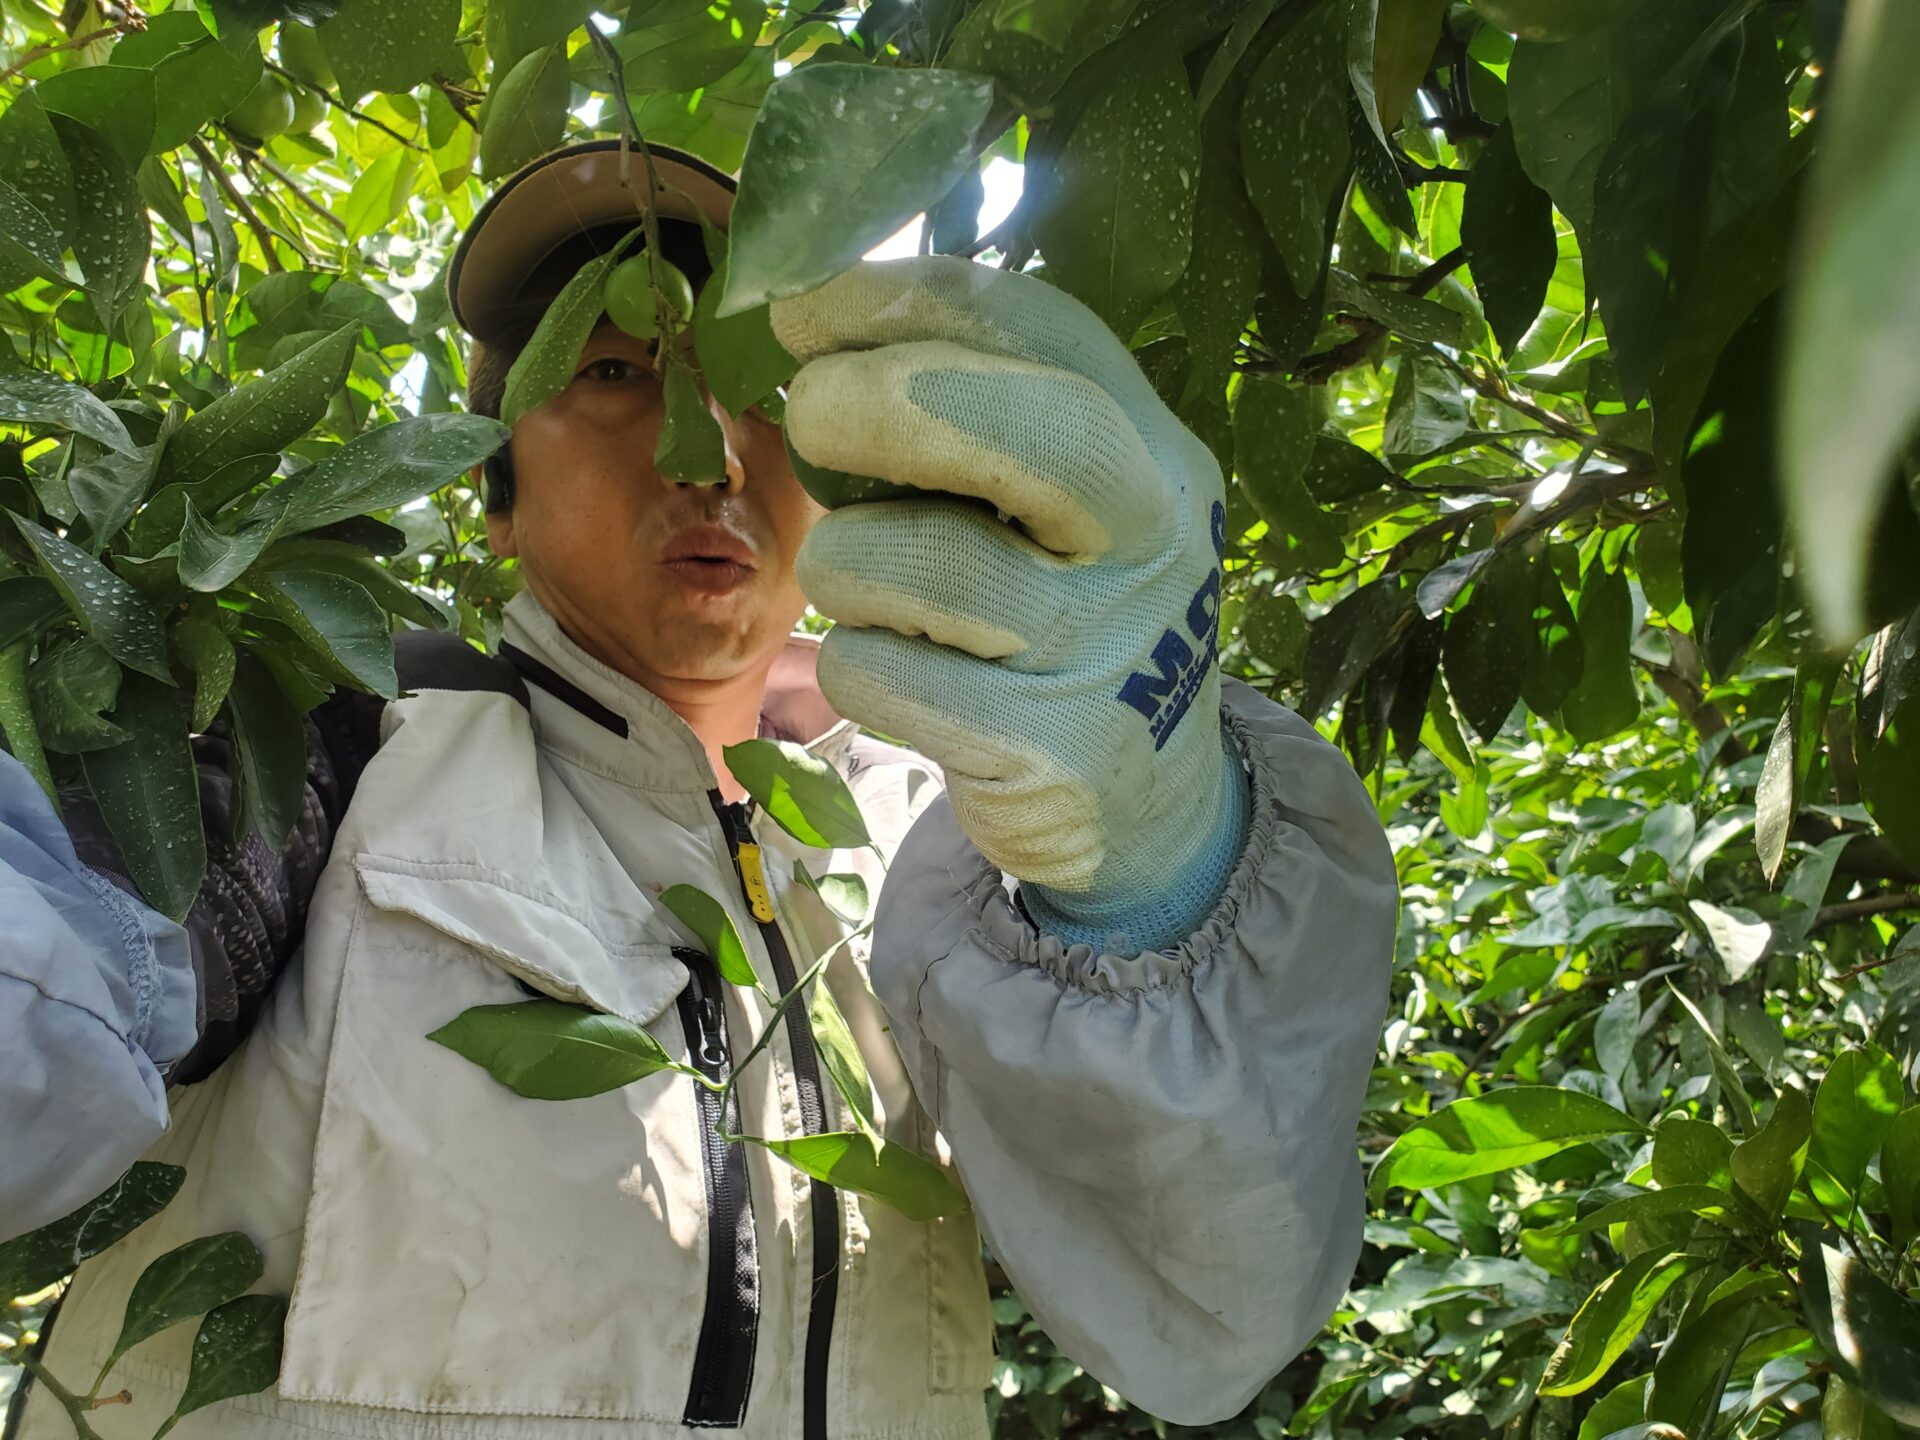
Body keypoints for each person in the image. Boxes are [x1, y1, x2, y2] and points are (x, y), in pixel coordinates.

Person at [2, 142, 1397, 1438]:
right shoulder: (343, 748)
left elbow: (1211, 1318)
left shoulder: (937, 854)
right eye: (612, 376)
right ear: (491, 487)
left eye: (757, 391)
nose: (703, 450)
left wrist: (1145, 874)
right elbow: (70, 955)